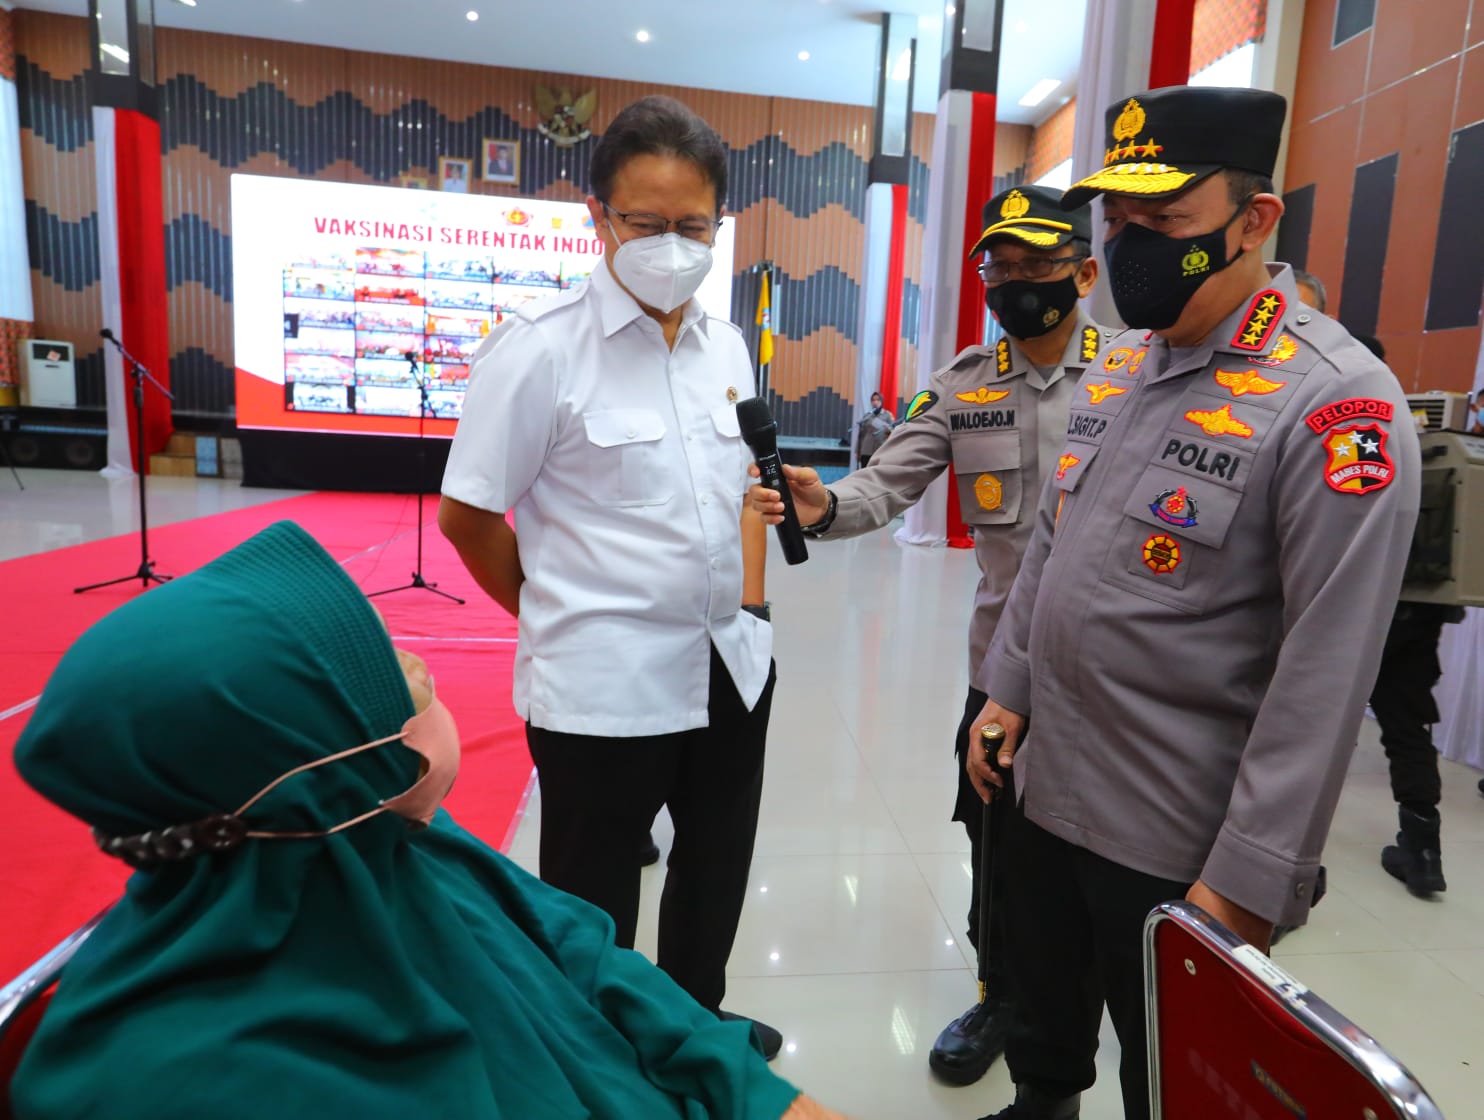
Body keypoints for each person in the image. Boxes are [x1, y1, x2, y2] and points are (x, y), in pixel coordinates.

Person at [8, 522, 846, 1120]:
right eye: (374, 668)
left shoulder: (385, 844)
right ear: (292, 776)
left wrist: (755, 1092)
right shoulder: (171, 1080)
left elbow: (581, 949)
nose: (414, 666)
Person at [963, 86, 1420, 1120]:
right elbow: (1051, 542)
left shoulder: (1332, 404)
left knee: (1169, 1080)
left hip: (1173, 839)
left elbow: (1324, 669)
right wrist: (1005, 695)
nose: (1126, 245)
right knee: (1043, 1023)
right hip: (1043, 784)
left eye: (1159, 222)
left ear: (1253, 220)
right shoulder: (1123, 364)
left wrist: (1245, 884)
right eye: (1114, 221)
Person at [439, 96, 783, 1057]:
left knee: (713, 875)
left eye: (694, 226)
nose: (671, 245)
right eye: (646, 222)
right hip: (602, 687)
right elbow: (467, 516)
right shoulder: (541, 348)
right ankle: (597, 1055)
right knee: (591, 905)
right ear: (598, 218)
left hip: (730, 662)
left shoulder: (726, 345)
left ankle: (693, 1031)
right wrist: (553, 612)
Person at [748, 184, 1108, 1087]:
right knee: (994, 838)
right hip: (1001, 674)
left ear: (1086, 272)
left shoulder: (1142, 372)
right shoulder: (961, 384)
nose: (1018, 283)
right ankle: (1001, 992)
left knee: (1105, 857)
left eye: (1040, 266)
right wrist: (825, 504)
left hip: (1117, 677)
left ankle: (1094, 1004)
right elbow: (885, 484)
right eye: (1002, 267)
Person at [1349, 334, 1463, 896]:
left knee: (1310, 725)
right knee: (1407, 725)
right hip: (1421, 604)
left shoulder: (1350, 420)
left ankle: (1295, 860)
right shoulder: (1413, 426)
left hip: (1360, 604)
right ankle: (1424, 852)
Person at [856, 391, 896, 467]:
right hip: (866, 448)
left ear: (881, 401)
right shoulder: (867, 416)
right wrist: (858, 452)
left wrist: (889, 431)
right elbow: (861, 435)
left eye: (877, 400)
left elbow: (894, 430)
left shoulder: (887, 415)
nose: (875, 402)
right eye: (873, 400)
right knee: (864, 473)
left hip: (880, 448)